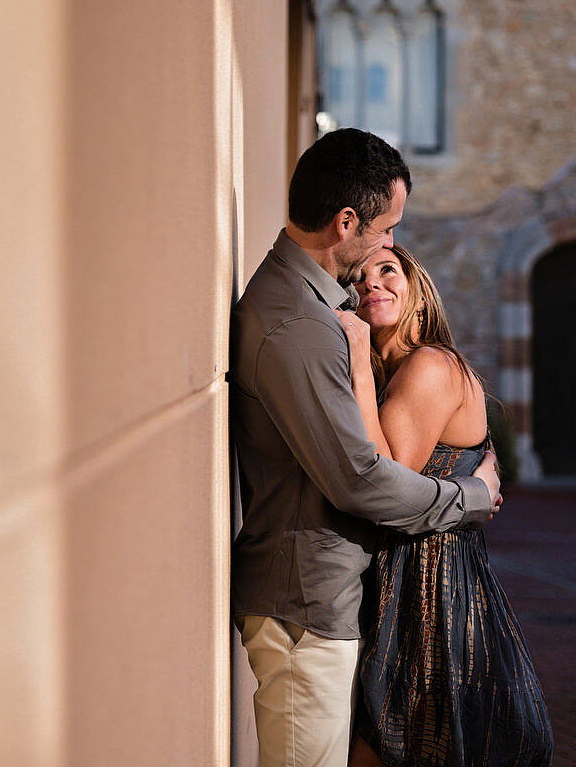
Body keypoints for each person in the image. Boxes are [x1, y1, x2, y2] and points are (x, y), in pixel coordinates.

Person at [230, 129, 503, 767]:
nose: (389, 243)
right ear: (346, 222)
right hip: (306, 607)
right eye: (385, 229)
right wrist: (472, 497)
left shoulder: (314, 309)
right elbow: (361, 480)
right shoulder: (299, 323)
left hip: (321, 602)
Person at [339, 244, 553, 767]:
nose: (371, 282)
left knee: (395, 742)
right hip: (410, 576)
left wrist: (359, 365)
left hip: (430, 587)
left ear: (419, 291)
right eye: (359, 276)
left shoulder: (430, 365)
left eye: (387, 270)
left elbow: (386, 479)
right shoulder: (404, 371)